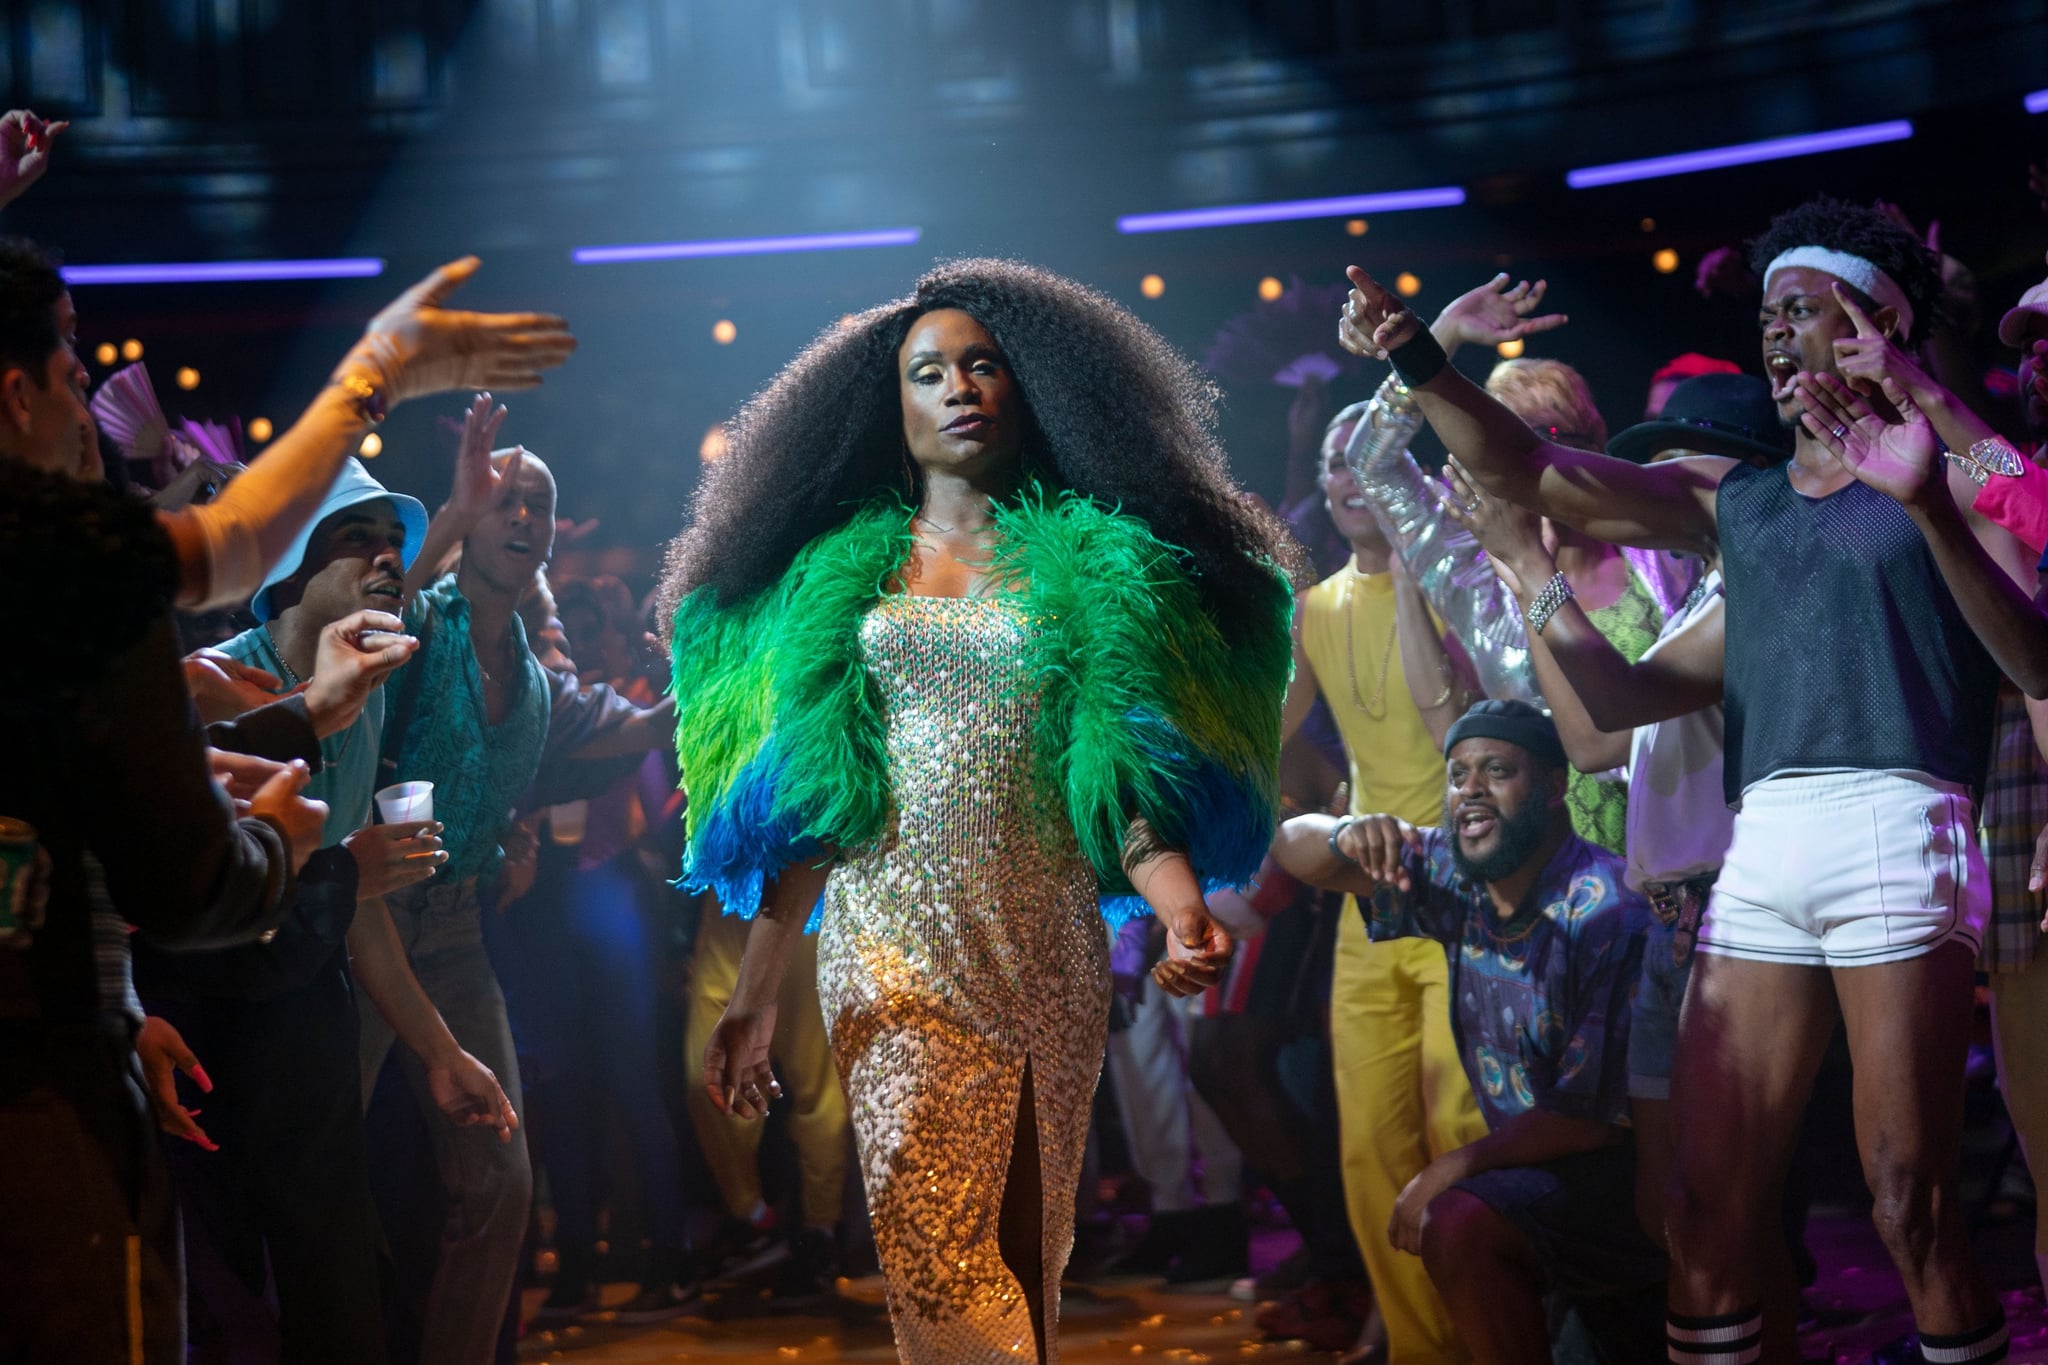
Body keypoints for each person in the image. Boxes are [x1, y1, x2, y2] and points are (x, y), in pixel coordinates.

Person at [1337, 193, 2021, 1364]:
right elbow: (1538, 488)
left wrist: (1928, 488)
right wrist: (1420, 364)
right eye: (1766, 310)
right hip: (1762, 848)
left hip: (1899, 822)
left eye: (1802, 307)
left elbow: (2034, 655)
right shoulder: (1736, 508)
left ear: (1880, 320)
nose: (1774, 329)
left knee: (1907, 1203)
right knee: (1701, 1204)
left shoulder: (1956, 480)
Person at [667, 259, 1295, 1364]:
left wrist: (1180, 904)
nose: (958, 387)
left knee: (1023, 1260)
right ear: (891, 407)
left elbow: (1121, 790)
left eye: (981, 364)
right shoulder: (838, 581)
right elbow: (817, 813)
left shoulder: (1097, 570)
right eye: (928, 372)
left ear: (1028, 387)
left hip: (1043, 948)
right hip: (885, 953)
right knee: (943, 1261)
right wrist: (755, 995)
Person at [0, 206, 570, 1361]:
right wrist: (283, 839)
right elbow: (187, 865)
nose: (84, 407)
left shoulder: (359, 665)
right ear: (17, 395)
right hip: (63, 1074)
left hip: (170, 1012)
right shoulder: (75, 579)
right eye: (70, 367)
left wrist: (118, 1013)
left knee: (327, 1249)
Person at [133, 461, 518, 1365]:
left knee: (340, 1295)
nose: (388, 558)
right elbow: (204, 904)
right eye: (359, 537)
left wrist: (441, 1052)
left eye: (397, 543)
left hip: (307, 1019)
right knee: (232, 1306)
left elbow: (357, 913)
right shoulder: (209, 682)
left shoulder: (366, 692)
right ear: (294, 568)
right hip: (208, 1035)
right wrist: (345, 866)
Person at [1271, 701, 1663, 1365]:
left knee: (1455, 1219)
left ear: (1552, 787)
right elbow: (1292, 849)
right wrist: (1350, 834)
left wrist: (1451, 1166)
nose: (1470, 788)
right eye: (1457, 774)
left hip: (1630, 1197)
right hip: (1537, 1184)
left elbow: (1590, 1120)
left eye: (1497, 770)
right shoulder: (1458, 877)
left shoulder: (1603, 908)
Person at [360, 397, 558, 1364]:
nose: (521, 519)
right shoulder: (417, 626)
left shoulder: (536, 684)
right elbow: (347, 648)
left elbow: (492, 787)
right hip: (365, 924)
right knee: (321, 1168)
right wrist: (444, 515)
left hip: (456, 934)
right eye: (505, 502)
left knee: (503, 1178)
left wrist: (504, 841)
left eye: (538, 508)